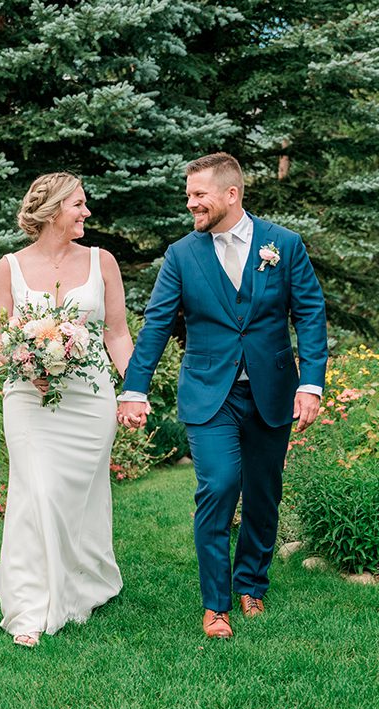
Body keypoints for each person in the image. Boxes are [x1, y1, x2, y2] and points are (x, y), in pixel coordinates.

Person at [118, 153, 328, 639]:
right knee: (218, 487)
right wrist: (134, 388)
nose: (190, 203)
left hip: (271, 390)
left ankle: (252, 582)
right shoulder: (182, 255)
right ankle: (216, 605)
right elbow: (156, 326)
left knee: (263, 492)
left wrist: (311, 384)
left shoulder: (285, 245)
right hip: (209, 394)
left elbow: (310, 314)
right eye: (189, 194)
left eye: (198, 195)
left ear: (231, 194)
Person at [0, 172, 135, 648]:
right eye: (78, 205)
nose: (86, 212)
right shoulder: (8, 267)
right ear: (51, 211)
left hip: (90, 399)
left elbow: (116, 333)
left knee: (80, 496)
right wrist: (26, 365)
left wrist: (134, 390)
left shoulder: (101, 261)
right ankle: (30, 606)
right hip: (28, 398)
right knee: (37, 493)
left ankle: (83, 580)